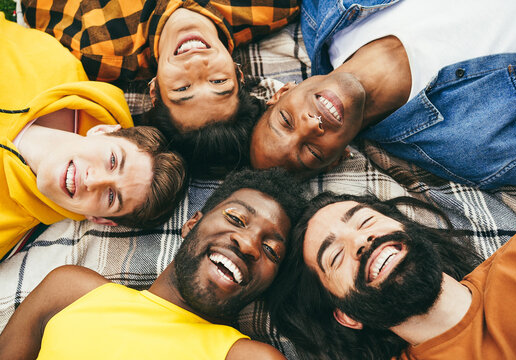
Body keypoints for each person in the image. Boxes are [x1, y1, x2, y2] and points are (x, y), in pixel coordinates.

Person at [0, 168, 306, 360]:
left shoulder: (248, 357)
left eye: (271, 250)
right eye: (236, 219)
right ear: (191, 224)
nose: (249, 244)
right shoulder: (69, 290)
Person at [250, 0, 516, 189]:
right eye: (313, 151)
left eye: (286, 120)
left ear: (283, 91)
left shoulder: (324, 10)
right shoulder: (473, 149)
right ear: (338, 159)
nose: (312, 125)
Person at [22, 0, 299, 177]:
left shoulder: (100, 48)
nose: (197, 65)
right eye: (219, 82)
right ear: (238, 73)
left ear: (154, 91)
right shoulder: (271, 6)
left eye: (182, 88)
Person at [0, 14, 187, 260]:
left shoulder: (5, 230)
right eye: (112, 160)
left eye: (111, 197)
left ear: (99, 219)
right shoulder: (51, 64)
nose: (93, 181)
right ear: (103, 131)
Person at [268, 191, 516, 359]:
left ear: (407, 227)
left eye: (365, 221)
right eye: (336, 257)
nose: (361, 241)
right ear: (348, 316)